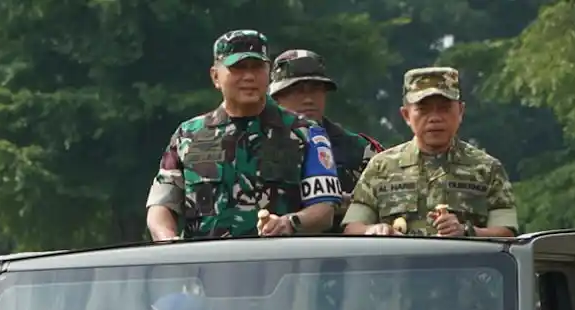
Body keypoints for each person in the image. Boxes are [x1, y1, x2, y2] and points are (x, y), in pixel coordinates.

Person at [145, 30, 343, 241]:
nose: (249, 77)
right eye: (238, 68)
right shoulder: (187, 136)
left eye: (257, 67)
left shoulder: (306, 133)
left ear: (268, 73)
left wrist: (288, 223)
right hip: (207, 266)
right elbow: (161, 206)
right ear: (215, 76)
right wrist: (167, 238)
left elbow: (323, 211)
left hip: (279, 265)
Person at [343, 67, 518, 238]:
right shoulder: (381, 167)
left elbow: (507, 233)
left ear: (461, 112)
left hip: (464, 266)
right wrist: (373, 231)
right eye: (423, 109)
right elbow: (352, 227)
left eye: (444, 108)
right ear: (406, 115)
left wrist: (467, 231)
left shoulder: (487, 168)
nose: (435, 118)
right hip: (399, 265)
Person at [268, 49, 383, 227]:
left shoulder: (360, 150)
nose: (308, 99)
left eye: (316, 89)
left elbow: (386, 204)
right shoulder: (258, 144)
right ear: (277, 98)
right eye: (297, 90)